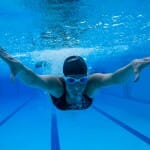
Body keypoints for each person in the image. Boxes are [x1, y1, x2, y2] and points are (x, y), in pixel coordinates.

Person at [0, 47, 150, 110]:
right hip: (60, 100)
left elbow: (114, 78)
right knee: (50, 78)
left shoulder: (93, 82)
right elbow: (34, 80)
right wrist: (20, 68)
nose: (78, 86)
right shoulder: (58, 86)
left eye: (82, 80)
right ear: (65, 80)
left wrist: (131, 67)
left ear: (87, 78)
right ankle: (45, 63)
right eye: (71, 80)